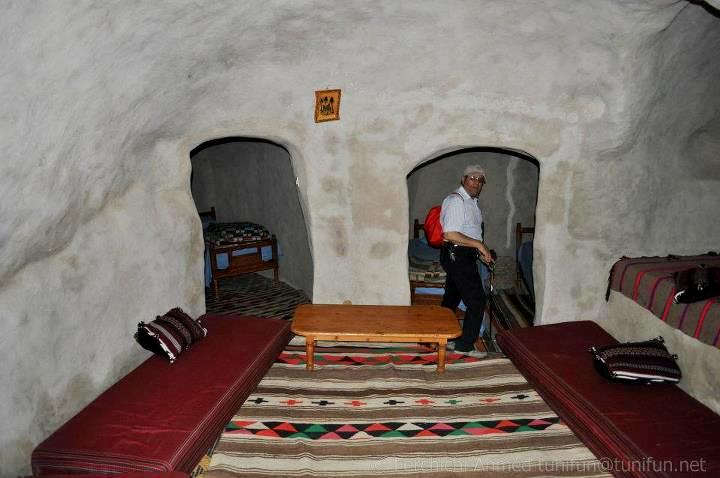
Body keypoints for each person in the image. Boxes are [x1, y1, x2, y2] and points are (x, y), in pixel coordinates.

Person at [439, 164, 494, 357]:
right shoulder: (456, 200)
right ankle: (465, 345)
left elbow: (469, 232)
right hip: (456, 254)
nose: (476, 183)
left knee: (451, 299)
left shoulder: (472, 202)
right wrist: (479, 245)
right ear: (463, 179)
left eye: (480, 180)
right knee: (477, 300)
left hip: (463, 254)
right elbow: (450, 233)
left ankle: (440, 337)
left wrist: (479, 252)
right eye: (472, 178)